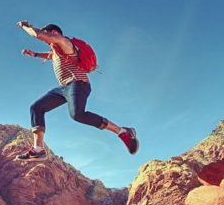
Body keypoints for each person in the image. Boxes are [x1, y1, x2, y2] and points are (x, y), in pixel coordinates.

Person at [16, 20, 138, 160]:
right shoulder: (56, 50)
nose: (46, 39)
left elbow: (38, 35)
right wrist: (35, 54)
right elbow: (50, 55)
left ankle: (122, 131)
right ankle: (38, 149)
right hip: (63, 88)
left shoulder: (64, 42)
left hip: (78, 83)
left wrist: (26, 26)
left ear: (54, 33)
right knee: (36, 107)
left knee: (77, 115)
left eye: (47, 34)